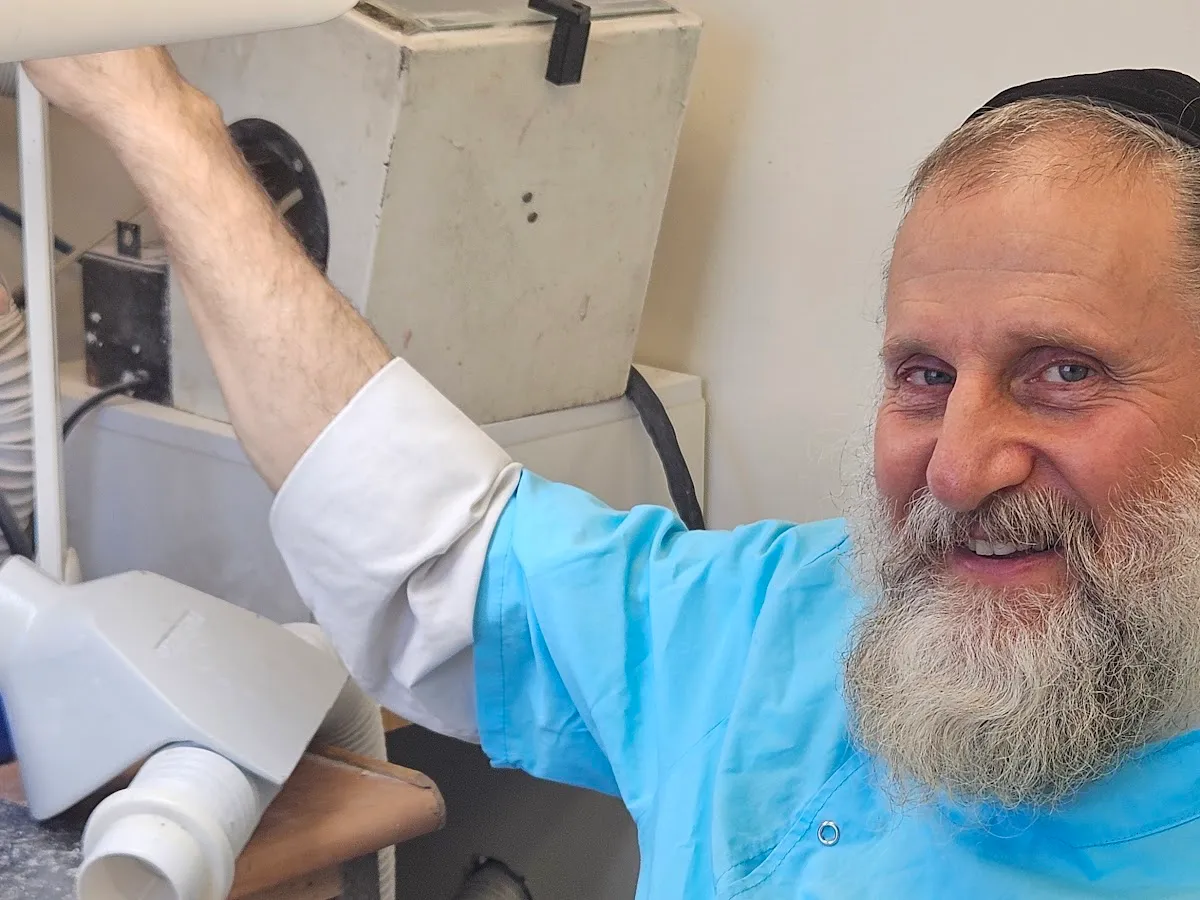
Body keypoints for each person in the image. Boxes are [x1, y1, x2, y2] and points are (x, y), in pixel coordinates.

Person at [21, 50, 1200, 896]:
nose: (956, 468)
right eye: (925, 375)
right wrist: (157, 117)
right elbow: (437, 548)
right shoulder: (792, 618)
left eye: (1065, 372)